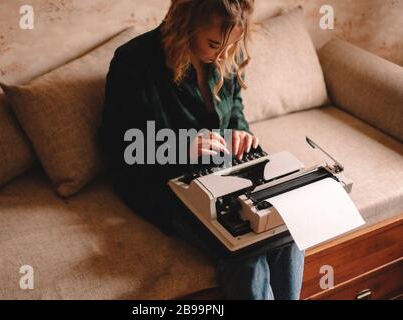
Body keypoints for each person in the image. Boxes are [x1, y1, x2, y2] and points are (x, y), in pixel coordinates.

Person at [100, 0, 305, 300]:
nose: (223, 54)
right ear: (187, 23)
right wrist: (180, 147)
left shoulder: (228, 51)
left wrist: (241, 134)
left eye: (231, 44)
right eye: (213, 44)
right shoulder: (133, 61)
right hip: (166, 180)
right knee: (244, 251)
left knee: (286, 231)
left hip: (228, 168)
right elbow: (118, 148)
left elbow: (235, 108)